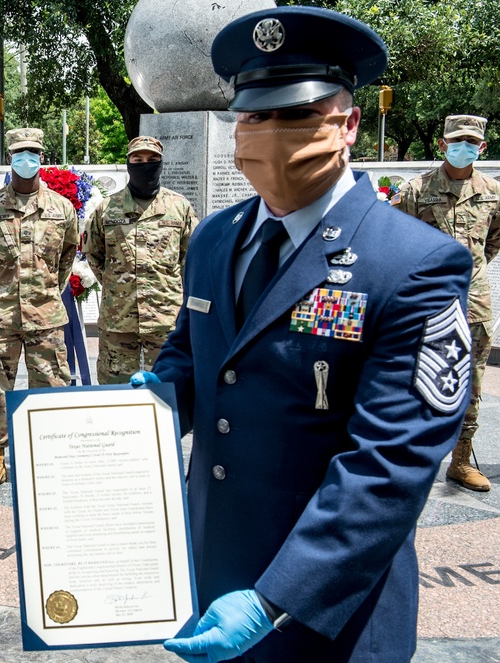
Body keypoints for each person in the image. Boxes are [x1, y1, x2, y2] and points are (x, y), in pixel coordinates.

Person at [131, 7, 473, 661]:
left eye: (295, 114)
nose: (268, 134)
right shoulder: (213, 237)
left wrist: (272, 599)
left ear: (345, 123)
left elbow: (387, 467)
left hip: (329, 613)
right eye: (254, 115)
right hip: (212, 581)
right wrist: (142, 409)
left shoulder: (413, 263)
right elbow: (194, 354)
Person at [0, 127, 79, 493]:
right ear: (9, 157)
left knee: (50, 389)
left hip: (46, 317)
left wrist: (44, 293)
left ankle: (48, 459)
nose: (25, 158)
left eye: (32, 152)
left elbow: (66, 259)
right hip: (1, 318)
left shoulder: (61, 208)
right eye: (19, 152)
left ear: (41, 158)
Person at [392, 114, 499, 492]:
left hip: (475, 304)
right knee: (414, 380)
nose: (463, 147)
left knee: (471, 384)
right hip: (426, 302)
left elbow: (491, 243)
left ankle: (460, 460)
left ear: (482, 147)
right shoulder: (415, 190)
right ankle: (408, 461)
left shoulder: (493, 191)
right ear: (442, 145)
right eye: (457, 140)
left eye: (471, 142)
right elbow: (397, 241)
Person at [84, 135, 198, 384]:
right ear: (128, 163)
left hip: (166, 319)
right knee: (116, 394)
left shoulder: (180, 207)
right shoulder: (107, 209)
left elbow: (190, 257)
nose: (145, 164)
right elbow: (93, 253)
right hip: (119, 320)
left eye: (152, 159)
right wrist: (118, 285)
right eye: (138, 159)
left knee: (172, 392)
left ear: (161, 163)